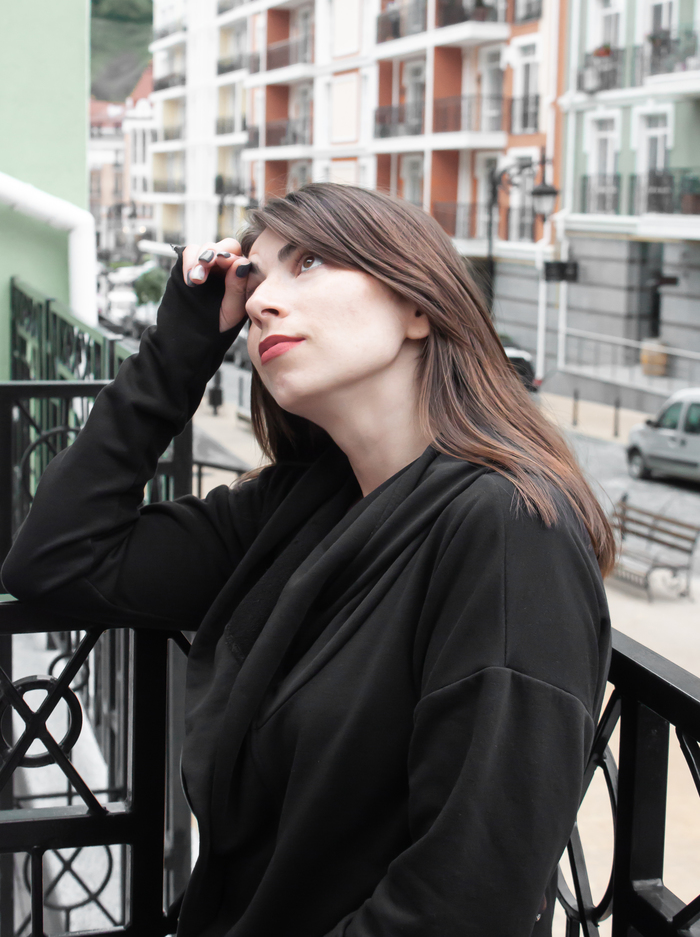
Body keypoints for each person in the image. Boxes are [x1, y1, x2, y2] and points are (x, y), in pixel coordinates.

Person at [2, 184, 613, 937]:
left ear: (418, 306)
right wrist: (181, 346)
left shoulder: (511, 530)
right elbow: (56, 559)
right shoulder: (301, 508)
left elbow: (464, 902)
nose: (260, 303)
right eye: (254, 279)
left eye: (310, 262)